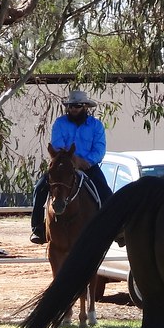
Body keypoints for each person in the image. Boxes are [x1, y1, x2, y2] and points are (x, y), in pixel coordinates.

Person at [30, 90, 111, 244]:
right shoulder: (60, 123)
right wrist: (71, 160)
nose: (73, 109)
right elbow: (57, 145)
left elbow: (99, 150)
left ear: (85, 107)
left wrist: (85, 162)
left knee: (106, 193)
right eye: (71, 106)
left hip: (88, 166)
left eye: (77, 106)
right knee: (39, 188)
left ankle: (114, 229)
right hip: (63, 165)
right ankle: (38, 228)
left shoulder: (96, 125)